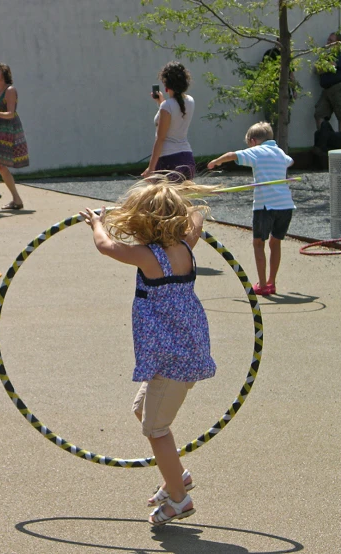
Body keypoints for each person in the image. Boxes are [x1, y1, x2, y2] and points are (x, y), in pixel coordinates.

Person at [79, 177, 217, 526]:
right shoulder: (186, 245)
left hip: (172, 359)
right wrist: (180, 197)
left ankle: (179, 499)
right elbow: (197, 219)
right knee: (142, 410)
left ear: (145, 223)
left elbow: (106, 247)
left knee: (157, 429)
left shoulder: (148, 256)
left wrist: (97, 222)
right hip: (182, 351)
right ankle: (177, 477)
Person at [207, 122, 295, 296]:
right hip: (285, 204)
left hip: (265, 205)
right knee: (275, 242)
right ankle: (271, 283)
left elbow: (233, 155)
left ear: (253, 141)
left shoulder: (257, 151)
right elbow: (290, 162)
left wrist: (216, 162)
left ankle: (262, 285)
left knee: (258, 243)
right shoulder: (279, 152)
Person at [0, 62, 29, 210]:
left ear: (4, 74)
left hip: (8, 131)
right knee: (1, 167)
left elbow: (11, 113)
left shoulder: (10, 90)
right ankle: (17, 200)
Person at [142, 62, 196, 181]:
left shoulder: (167, 106)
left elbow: (160, 138)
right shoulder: (190, 101)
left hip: (169, 160)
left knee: (162, 199)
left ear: (166, 84)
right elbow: (176, 115)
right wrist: (161, 102)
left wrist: (151, 168)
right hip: (187, 157)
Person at [314, 32, 341, 132]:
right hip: (326, 89)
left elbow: (332, 65)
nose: (328, 42)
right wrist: (326, 66)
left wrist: (325, 67)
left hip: (338, 88)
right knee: (319, 114)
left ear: (338, 43)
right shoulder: (325, 55)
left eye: (331, 41)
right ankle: (325, 140)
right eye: (328, 40)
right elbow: (317, 69)